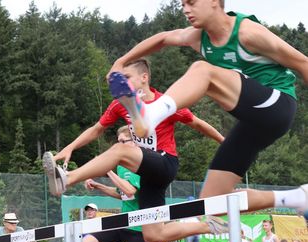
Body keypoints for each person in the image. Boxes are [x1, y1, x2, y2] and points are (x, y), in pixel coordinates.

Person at [105, 1, 308, 221]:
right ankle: (296, 198)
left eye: (191, 2)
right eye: (183, 4)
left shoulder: (248, 33)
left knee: (203, 71)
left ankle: (151, 114)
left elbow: (303, 63)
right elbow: (163, 38)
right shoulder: (197, 37)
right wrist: (121, 61)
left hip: (277, 105)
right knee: (212, 204)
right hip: (253, 123)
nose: (185, 9)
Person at [43, 58, 226, 242]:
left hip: (165, 162)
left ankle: (68, 178)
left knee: (120, 150)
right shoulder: (120, 105)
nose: (123, 83)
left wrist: (225, 143)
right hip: (147, 174)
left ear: (144, 77)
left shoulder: (166, 104)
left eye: (127, 77)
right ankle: (208, 226)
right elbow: (96, 129)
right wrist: (70, 147)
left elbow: (198, 123)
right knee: (153, 234)